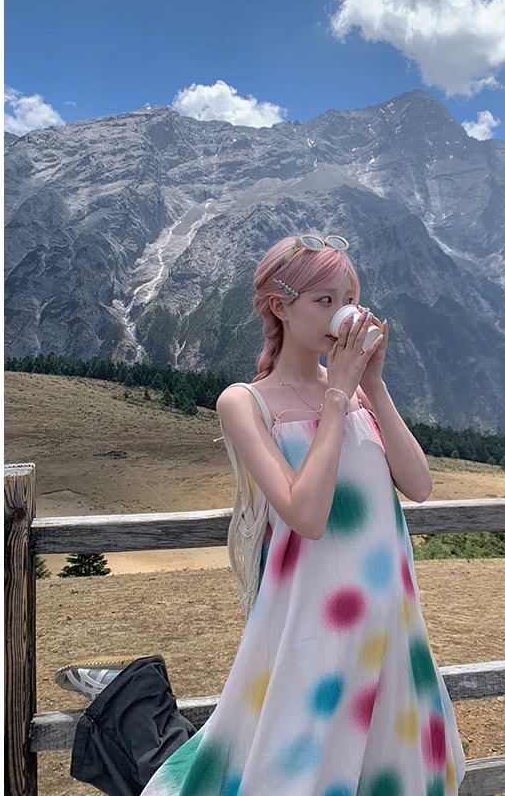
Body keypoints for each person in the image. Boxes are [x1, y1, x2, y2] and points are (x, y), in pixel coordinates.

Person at [58, 233, 467, 796]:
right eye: (325, 300)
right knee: (292, 766)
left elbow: (418, 485)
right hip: (311, 620)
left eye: (350, 299)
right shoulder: (245, 403)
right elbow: (307, 515)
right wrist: (337, 396)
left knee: (383, 765)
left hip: (386, 612)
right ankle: (129, 700)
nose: (344, 313)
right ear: (281, 306)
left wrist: (371, 384)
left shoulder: (360, 395)